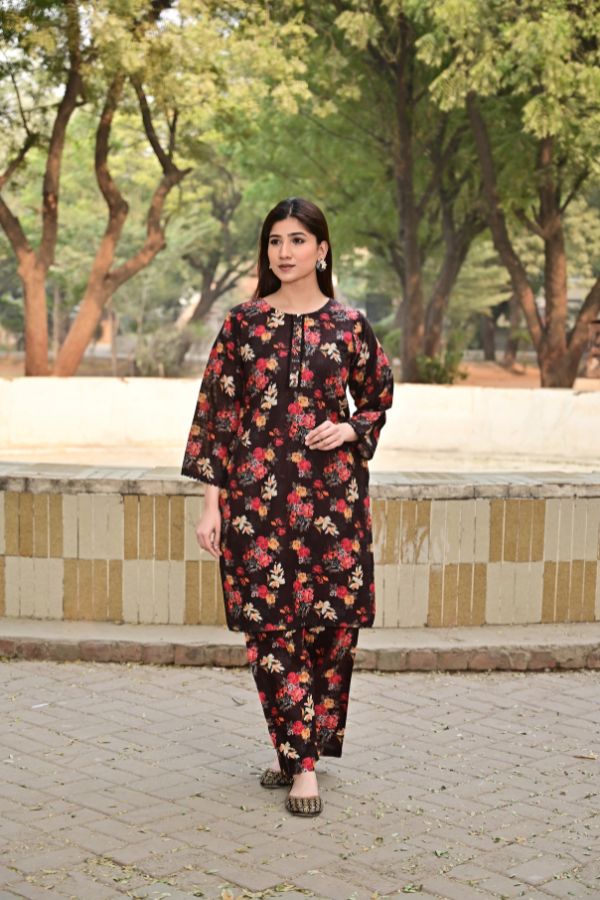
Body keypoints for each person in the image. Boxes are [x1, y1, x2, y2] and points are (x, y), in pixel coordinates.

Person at [181, 197, 394, 817]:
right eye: (276, 240)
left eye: (299, 240)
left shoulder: (350, 325)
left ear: (322, 250)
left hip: (334, 503)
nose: (285, 251)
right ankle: (302, 765)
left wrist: (353, 430)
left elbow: (378, 394)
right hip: (254, 505)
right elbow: (215, 417)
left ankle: (296, 743)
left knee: (331, 629)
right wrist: (210, 505)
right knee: (269, 630)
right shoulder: (243, 323)